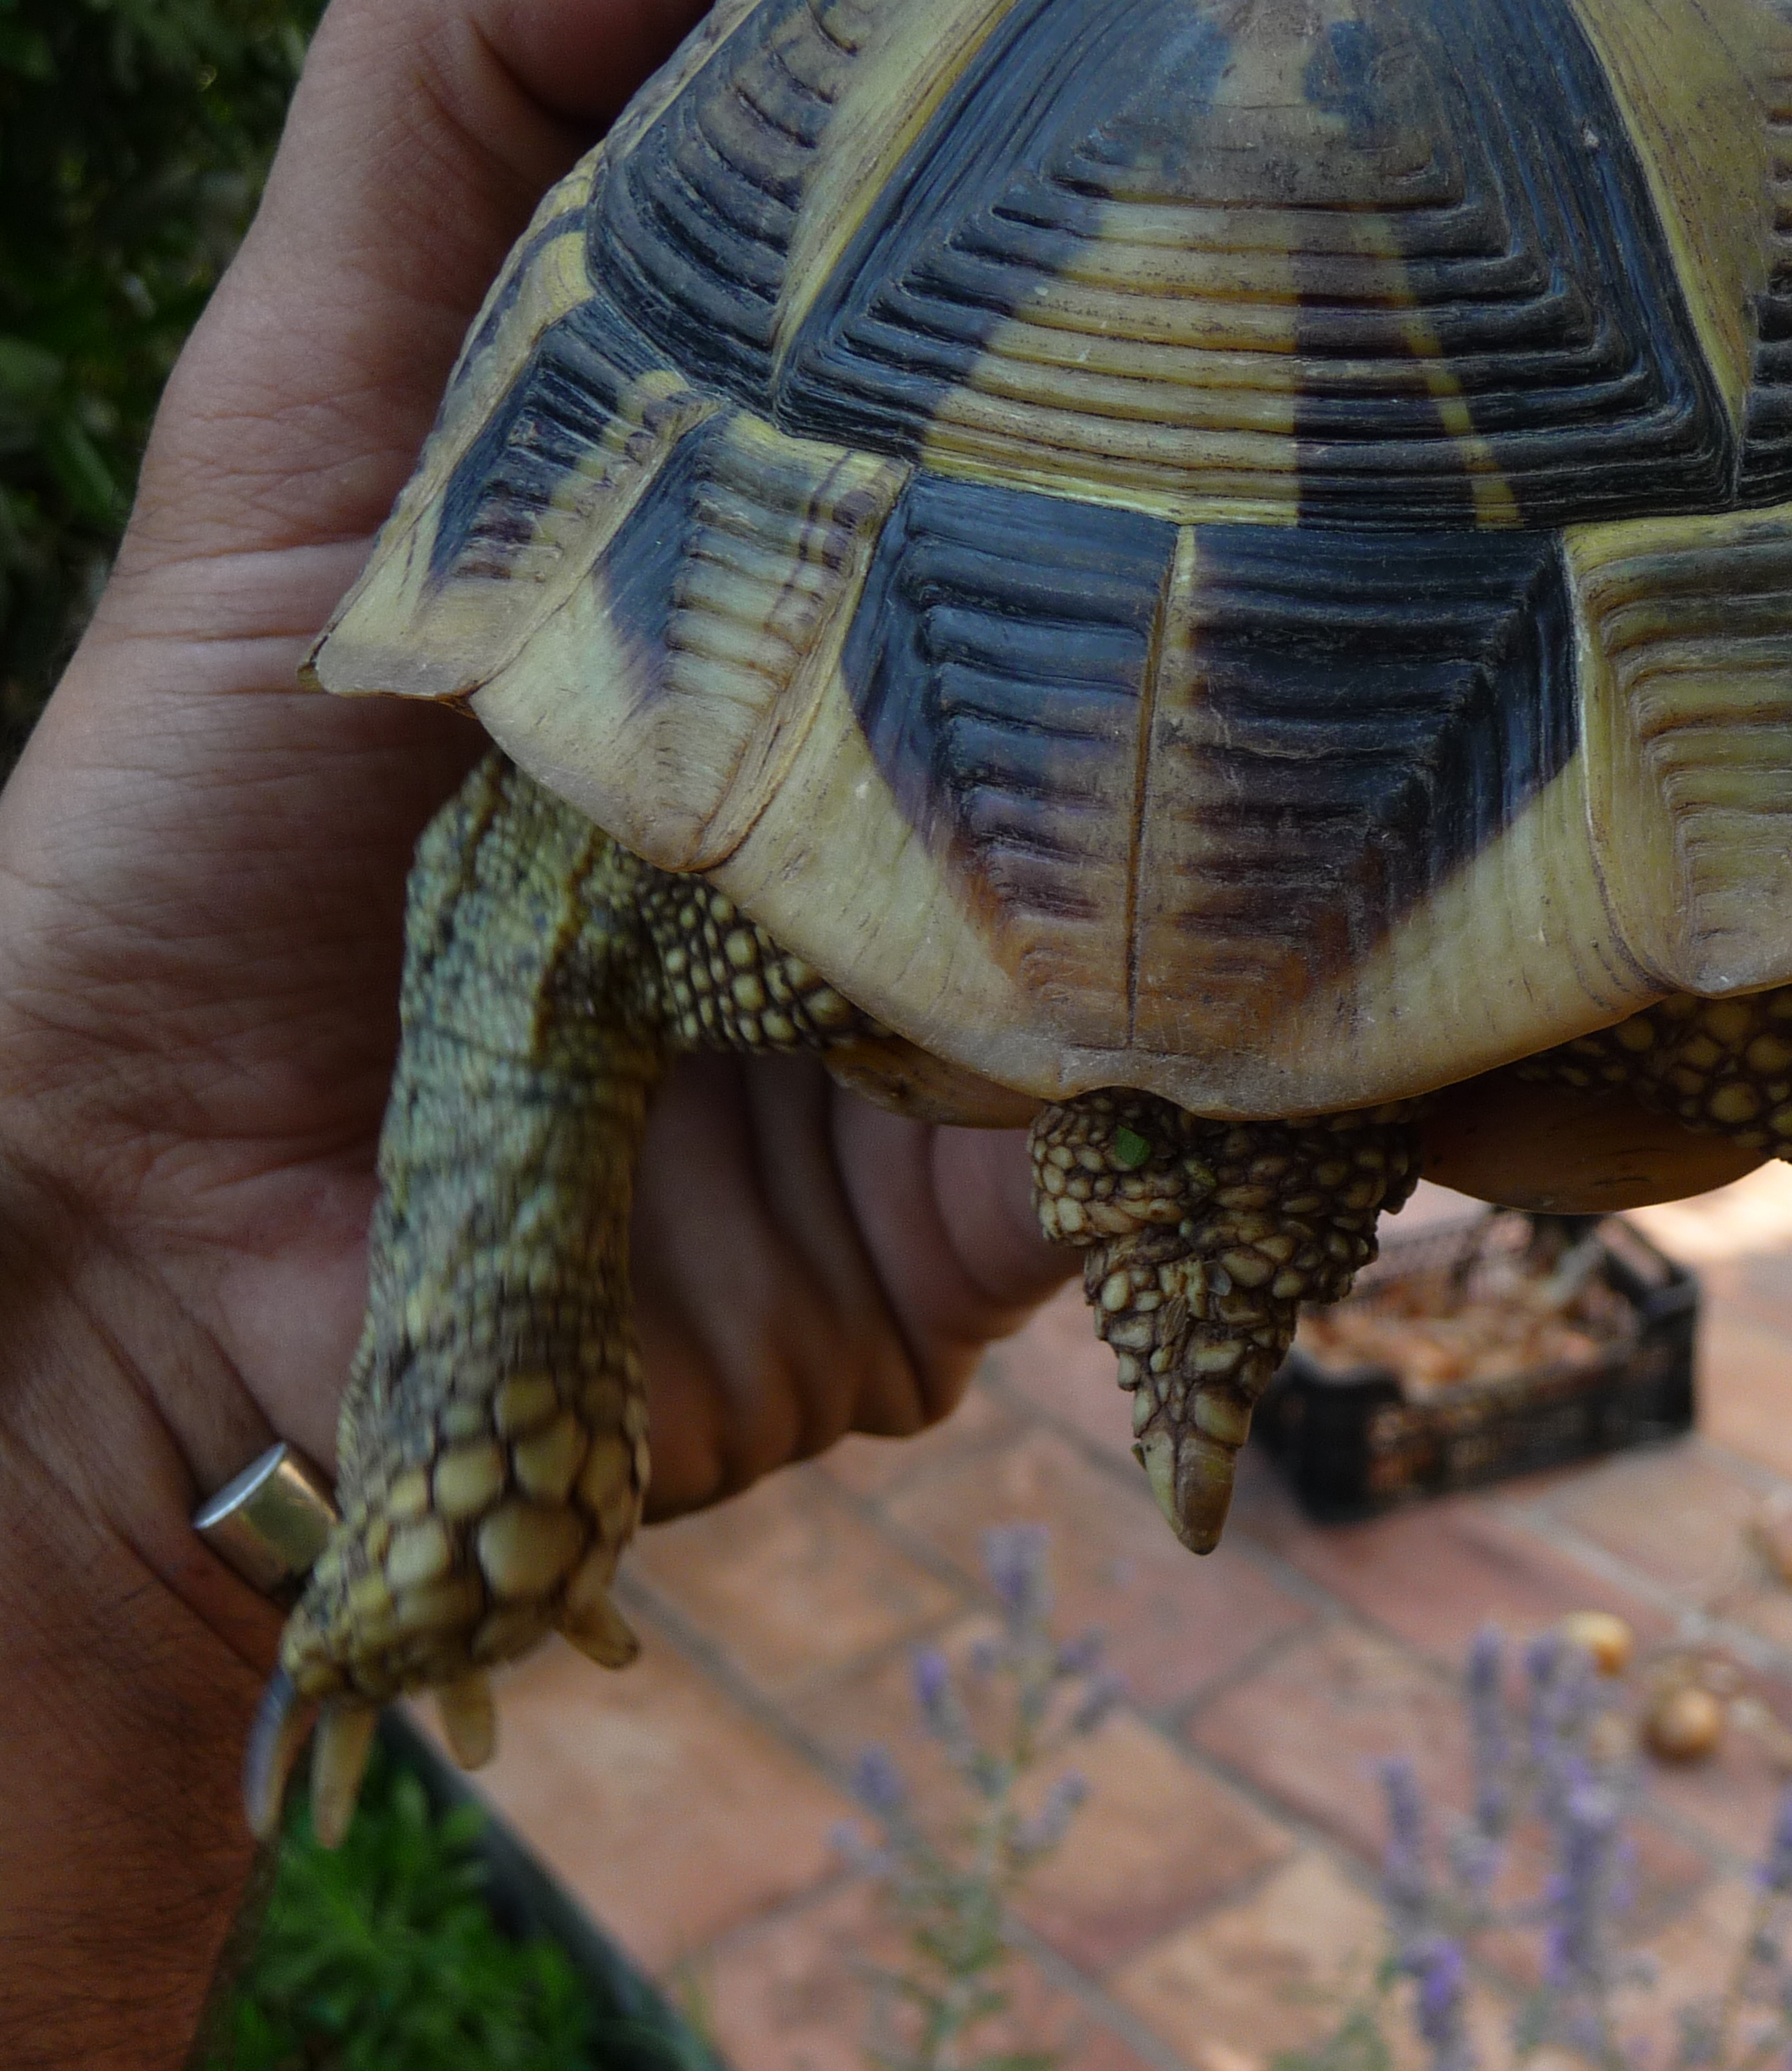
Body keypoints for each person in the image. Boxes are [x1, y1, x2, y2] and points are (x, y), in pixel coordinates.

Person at [0, 4, 1077, 2061]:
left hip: (770, 734)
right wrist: (149, 1352)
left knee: (543, 877)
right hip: (1593, 571)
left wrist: (144, 1352)